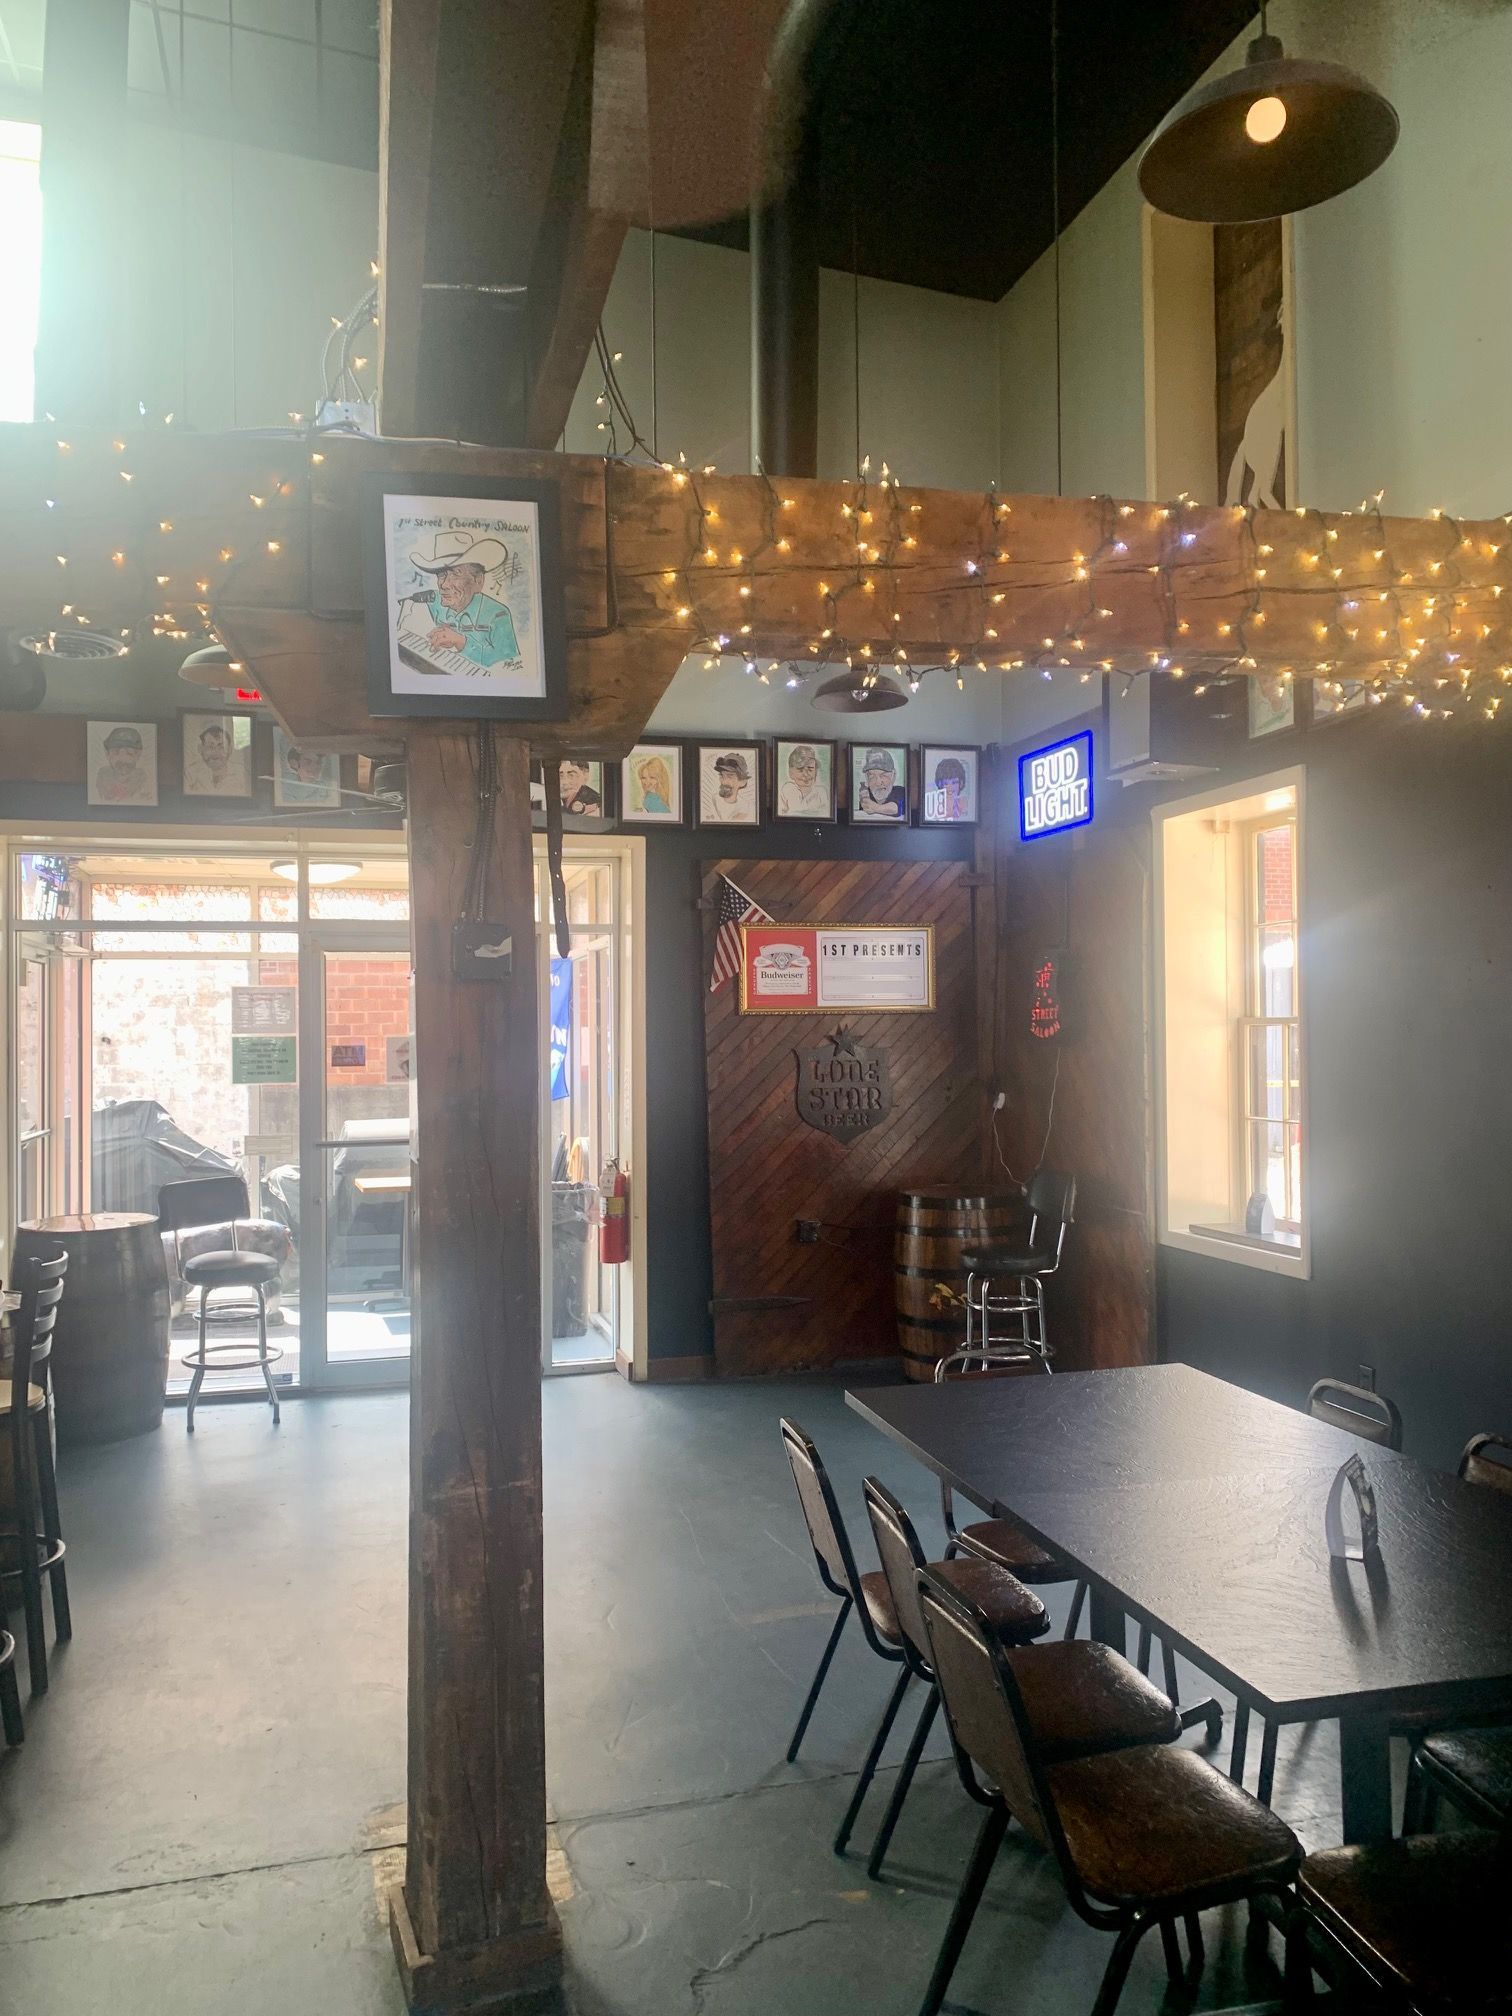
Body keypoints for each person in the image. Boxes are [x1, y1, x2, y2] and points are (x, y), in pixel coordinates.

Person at [403, 531, 520, 670]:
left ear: (478, 581)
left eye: (456, 574)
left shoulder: (498, 615)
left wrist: (461, 642)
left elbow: (509, 667)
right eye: (441, 574)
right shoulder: (434, 602)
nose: (444, 584)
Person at [184, 719, 249, 796]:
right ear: (200, 749)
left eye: (221, 747)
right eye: (210, 747)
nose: (216, 752)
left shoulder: (241, 773)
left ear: (230, 750)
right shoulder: (190, 773)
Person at [94, 724, 152, 804]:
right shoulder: (98, 783)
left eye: (129, 753)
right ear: (107, 754)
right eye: (116, 752)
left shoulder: (146, 785)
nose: (123, 758)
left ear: (138, 754)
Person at [778, 743, 829, 817]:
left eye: (810, 769)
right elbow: (781, 813)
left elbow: (824, 814)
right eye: (800, 770)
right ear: (791, 773)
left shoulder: (821, 793)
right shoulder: (786, 790)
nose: (806, 774)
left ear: (816, 771)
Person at [279, 741, 337, 805]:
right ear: (294, 763)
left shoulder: (326, 789)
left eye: (318, 763)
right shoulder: (285, 786)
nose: (315, 767)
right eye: (308, 762)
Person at [702, 750, 753, 821]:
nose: (724, 781)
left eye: (730, 776)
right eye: (721, 775)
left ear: (742, 782)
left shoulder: (745, 807)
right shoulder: (712, 800)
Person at [856, 747, 906, 819]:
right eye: (872, 776)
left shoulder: (900, 791)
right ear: (867, 778)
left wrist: (875, 808)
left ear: (893, 775)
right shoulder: (866, 793)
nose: (878, 783)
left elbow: (896, 809)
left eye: (883, 775)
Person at [932, 755, 969, 821]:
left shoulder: (965, 806)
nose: (950, 787)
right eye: (946, 783)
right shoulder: (935, 810)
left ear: (961, 783)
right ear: (940, 784)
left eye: (954, 782)